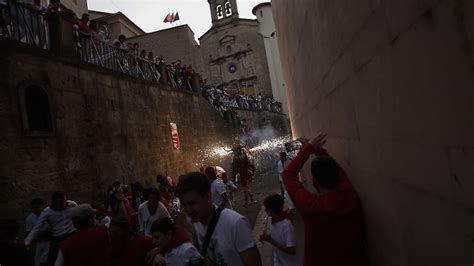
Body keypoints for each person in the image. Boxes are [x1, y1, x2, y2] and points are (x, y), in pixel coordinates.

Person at [282, 133, 368, 266]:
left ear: (315, 182)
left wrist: (309, 149)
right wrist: (315, 149)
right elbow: (338, 170)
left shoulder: (312, 207)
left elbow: (287, 175)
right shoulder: (350, 195)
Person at [175, 172, 262, 266]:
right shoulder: (195, 223)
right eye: (184, 205)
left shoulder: (235, 223)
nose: (188, 210)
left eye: (192, 203)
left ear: (208, 196)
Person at [25, 192, 78, 265]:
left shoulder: (72, 204)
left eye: (64, 202)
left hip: (71, 235)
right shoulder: (47, 212)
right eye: (59, 203)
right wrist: (26, 243)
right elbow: (36, 228)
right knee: (53, 259)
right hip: (57, 238)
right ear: (53, 203)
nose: (62, 205)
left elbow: (78, 215)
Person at [259, 194, 301, 266]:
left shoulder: (287, 225)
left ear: (269, 210)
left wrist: (270, 240)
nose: (265, 210)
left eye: (266, 208)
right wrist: (265, 237)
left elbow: (291, 250)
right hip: (279, 261)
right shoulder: (271, 220)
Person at [25, 198, 50, 266]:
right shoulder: (30, 219)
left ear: (43, 206)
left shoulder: (49, 215)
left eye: (37, 208)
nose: (35, 210)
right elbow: (29, 235)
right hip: (38, 245)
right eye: (33, 208)